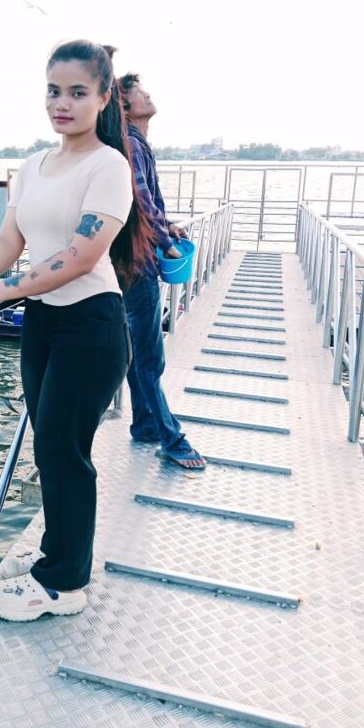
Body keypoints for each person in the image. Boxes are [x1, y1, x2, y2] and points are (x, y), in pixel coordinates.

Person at [0, 40, 154, 622]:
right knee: (49, 447)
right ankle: (55, 557)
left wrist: (0, 292)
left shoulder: (108, 165)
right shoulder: (34, 165)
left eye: (78, 92)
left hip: (91, 324)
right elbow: (9, 240)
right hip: (42, 322)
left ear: (104, 98)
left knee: (64, 450)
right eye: (54, 91)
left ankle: (64, 584)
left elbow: (82, 256)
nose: (63, 103)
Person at [117, 71, 206, 470]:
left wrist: (166, 226)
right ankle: (172, 439)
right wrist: (166, 242)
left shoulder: (136, 143)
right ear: (125, 106)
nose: (148, 95)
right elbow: (140, 203)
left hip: (133, 260)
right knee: (150, 356)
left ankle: (145, 424)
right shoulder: (132, 145)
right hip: (138, 263)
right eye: (140, 92)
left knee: (140, 350)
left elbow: (147, 204)